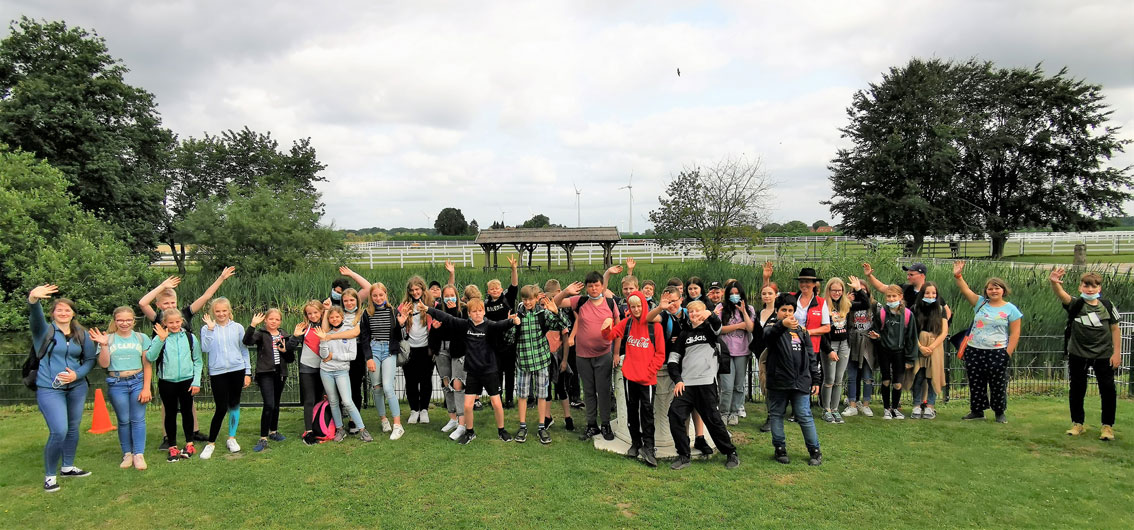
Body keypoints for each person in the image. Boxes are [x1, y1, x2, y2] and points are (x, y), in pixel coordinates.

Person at [137, 267, 234, 449]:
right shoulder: (158, 318)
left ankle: (193, 432)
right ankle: (168, 438)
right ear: (159, 306)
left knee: (189, 403)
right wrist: (162, 286)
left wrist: (221, 278)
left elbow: (205, 297)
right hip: (167, 367)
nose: (170, 306)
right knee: (169, 406)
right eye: (165, 304)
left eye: (172, 302)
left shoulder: (184, 314)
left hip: (186, 367)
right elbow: (143, 303)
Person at [28, 285, 97, 492]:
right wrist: (33, 299)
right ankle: (50, 476)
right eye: (59, 310)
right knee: (59, 430)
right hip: (50, 388)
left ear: (73, 313)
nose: (64, 313)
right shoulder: (44, 331)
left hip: (76, 387)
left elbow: (90, 360)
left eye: (67, 310)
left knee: (73, 428)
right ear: (53, 313)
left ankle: (67, 467)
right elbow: (35, 316)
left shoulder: (81, 334)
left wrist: (77, 374)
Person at [426, 298, 519, 444]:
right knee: (468, 405)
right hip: (472, 372)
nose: (477, 314)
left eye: (480, 311)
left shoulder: (489, 325)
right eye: (474, 311)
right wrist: (428, 309)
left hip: (489, 371)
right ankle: (469, 432)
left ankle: (501, 430)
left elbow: (501, 325)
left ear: (484, 311)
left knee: (496, 402)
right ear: (469, 313)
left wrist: (513, 321)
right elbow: (447, 318)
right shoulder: (465, 325)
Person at [666, 301, 740, 470]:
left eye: (697, 311)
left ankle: (730, 453)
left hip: (706, 383)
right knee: (675, 415)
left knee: (713, 420)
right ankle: (684, 455)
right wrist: (677, 379)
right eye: (690, 311)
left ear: (704, 312)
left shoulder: (710, 330)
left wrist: (712, 316)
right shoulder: (684, 334)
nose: (693, 314)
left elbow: (717, 326)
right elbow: (673, 360)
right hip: (686, 385)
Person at [1050, 268, 1120, 440]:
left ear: (1099, 289)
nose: (1090, 289)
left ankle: (1107, 427)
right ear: (1080, 287)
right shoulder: (1076, 304)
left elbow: (1115, 329)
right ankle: (1077, 424)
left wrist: (1116, 353)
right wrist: (1054, 282)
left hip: (1104, 355)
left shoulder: (1108, 305)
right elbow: (1061, 295)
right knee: (1077, 389)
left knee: (1108, 390)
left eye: (1094, 286)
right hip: (1078, 354)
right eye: (1086, 286)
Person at [553, 272, 622, 441]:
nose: (593, 288)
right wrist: (566, 292)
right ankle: (592, 425)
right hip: (583, 356)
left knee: (603, 390)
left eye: (596, 285)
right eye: (590, 286)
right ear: (586, 287)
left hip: (604, 354)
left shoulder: (610, 302)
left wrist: (616, 353)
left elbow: (619, 330)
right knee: (589, 391)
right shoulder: (580, 301)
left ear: (601, 286)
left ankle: (605, 423)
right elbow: (554, 303)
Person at [601, 291, 665, 467]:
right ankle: (635, 443)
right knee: (632, 411)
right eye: (633, 306)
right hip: (630, 376)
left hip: (647, 379)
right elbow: (609, 336)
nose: (636, 309)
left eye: (639, 306)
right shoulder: (627, 323)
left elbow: (660, 355)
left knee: (647, 412)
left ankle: (649, 447)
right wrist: (606, 326)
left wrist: (649, 372)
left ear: (644, 305)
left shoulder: (654, 326)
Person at [953, 261, 1022, 423]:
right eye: (990, 288)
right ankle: (977, 411)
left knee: (998, 383)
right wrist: (958, 275)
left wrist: (1007, 353)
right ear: (986, 291)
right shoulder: (980, 303)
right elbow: (965, 289)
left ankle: (999, 412)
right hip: (974, 349)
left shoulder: (1011, 309)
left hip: (997, 351)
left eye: (997, 288)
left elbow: (1015, 333)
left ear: (1003, 290)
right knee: (976, 382)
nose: (993, 291)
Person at [646, 286, 713, 454]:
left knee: (696, 404)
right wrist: (660, 307)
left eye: (673, 301)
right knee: (680, 405)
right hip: (673, 364)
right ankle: (684, 439)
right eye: (668, 302)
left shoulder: (689, 312)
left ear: (681, 300)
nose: (671, 305)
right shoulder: (664, 315)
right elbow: (648, 318)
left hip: (692, 364)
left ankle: (699, 437)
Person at [763, 294, 822, 466]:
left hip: (800, 381)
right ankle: (779, 449)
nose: (788, 313)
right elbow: (768, 335)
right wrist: (782, 324)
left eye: (790, 310)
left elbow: (811, 356)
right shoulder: (772, 327)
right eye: (784, 310)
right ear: (777, 311)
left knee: (804, 415)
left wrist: (816, 380)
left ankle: (815, 451)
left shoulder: (802, 331)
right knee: (776, 414)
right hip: (778, 381)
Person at [91, 306, 152, 470]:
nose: (124, 323)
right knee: (124, 420)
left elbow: (147, 365)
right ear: (115, 321)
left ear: (133, 321)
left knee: (138, 418)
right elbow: (104, 364)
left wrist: (147, 388)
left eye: (128, 320)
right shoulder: (108, 339)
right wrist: (103, 346)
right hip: (117, 382)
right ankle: (127, 453)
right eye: (120, 320)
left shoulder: (141, 338)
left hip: (137, 380)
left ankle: (139, 454)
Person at [512, 285, 568, 444]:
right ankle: (522, 426)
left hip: (542, 361)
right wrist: (512, 324)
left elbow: (563, 325)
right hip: (523, 361)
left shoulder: (543, 314)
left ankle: (542, 426)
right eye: (524, 299)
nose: (527, 302)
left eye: (530, 299)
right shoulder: (518, 315)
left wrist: (556, 311)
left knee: (542, 394)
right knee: (522, 395)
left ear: (537, 298)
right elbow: (509, 338)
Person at [146, 308, 202, 463]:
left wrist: (196, 381)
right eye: (171, 322)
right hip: (167, 381)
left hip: (187, 380)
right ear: (164, 323)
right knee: (170, 414)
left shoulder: (190, 337)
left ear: (182, 321)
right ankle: (172, 445)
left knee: (187, 412)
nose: (175, 325)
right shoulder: (160, 337)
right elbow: (150, 356)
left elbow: (198, 360)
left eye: (178, 322)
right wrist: (161, 340)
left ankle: (190, 443)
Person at [199, 297, 251, 459]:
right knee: (221, 407)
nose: (221, 314)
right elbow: (205, 348)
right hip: (217, 372)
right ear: (212, 312)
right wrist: (210, 330)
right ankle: (211, 443)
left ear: (229, 311)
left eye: (224, 311)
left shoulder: (238, 328)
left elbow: (244, 350)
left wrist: (247, 372)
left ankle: (231, 438)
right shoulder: (207, 328)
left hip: (237, 370)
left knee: (234, 404)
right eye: (217, 311)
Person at [316, 307, 373, 442]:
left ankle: (362, 430)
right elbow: (324, 356)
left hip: (341, 371)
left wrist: (333, 355)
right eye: (331, 317)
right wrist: (323, 341)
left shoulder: (349, 334)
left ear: (342, 317)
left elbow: (352, 356)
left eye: (337, 317)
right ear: (328, 319)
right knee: (334, 401)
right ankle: (340, 430)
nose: (334, 319)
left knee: (347, 401)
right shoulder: (326, 333)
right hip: (326, 371)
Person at [359, 282, 405, 440]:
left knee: (387, 386)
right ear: (371, 297)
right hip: (374, 349)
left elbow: (399, 337)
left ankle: (398, 425)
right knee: (376, 387)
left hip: (389, 351)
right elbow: (364, 338)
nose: (378, 298)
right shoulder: (366, 313)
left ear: (386, 294)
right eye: (375, 295)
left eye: (381, 295)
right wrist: (368, 358)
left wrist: (401, 324)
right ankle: (383, 419)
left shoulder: (393, 311)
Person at [243, 309, 293, 452]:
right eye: (271, 319)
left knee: (276, 404)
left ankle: (273, 431)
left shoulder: (284, 335)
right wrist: (252, 325)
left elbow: (290, 359)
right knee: (269, 404)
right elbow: (246, 341)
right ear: (265, 320)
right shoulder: (261, 334)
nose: (274, 322)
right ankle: (263, 437)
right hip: (265, 373)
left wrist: (285, 351)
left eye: (277, 320)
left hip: (280, 373)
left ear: (280, 321)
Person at [869, 285, 918, 420]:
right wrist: (876, 336)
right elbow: (876, 330)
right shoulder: (882, 313)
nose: (891, 299)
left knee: (897, 382)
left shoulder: (908, 315)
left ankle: (895, 408)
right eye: (889, 296)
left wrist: (909, 359)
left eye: (894, 296)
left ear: (900, 297)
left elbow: (911, 338)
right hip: (884, 351)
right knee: (885, 380)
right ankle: (886, 409)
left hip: (900, 352)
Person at [716, 281, 755, 426]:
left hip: (742, 352)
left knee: (739, 385)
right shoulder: (721, 308)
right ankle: (724, 412)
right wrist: (738, 326)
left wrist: (744, 312)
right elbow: (719, 329)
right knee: (726, 385)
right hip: (726, 351)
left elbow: (750, 328)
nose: (734, 296)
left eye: (736, 293)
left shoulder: (749, 309)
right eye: (731, 294)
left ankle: (735, 411)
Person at [289, 300, 327, 445]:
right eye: (309, 313)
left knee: (321, 399)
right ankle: (309, 431)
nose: (312, 316)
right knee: (309, 400)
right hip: (307, 368)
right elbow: (290, 348)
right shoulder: (304, 327)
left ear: (321, 312)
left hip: (324, 368)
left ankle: (320, 427)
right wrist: (295, 336)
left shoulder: (327, 325)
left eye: (315, 312)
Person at [399, 276, 436, 423]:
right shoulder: (403, 306)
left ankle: (424, 410)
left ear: (422, 289)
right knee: (411, 381)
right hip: (410, 349)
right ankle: (414, 410)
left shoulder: (431, 304)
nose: (415, 292)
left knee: (426, 380)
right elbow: (399, 326)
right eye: (412, 290)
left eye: (417, 289)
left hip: (426, 348)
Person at [485, 256, 520, 408]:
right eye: (492, 289)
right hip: (494, 343)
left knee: (510, 372)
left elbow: (514, 284)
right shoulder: (485, 304)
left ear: (501, 289)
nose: (495, 291)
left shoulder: (507, 298)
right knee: (496, 372)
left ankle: (510, 399)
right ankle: (497, 399)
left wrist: (513, 269)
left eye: (497, 288)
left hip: (509, 341)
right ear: (488, 291)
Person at [910, 283, 949, 420]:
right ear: (922, 294)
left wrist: (932, 347)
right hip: (919, 344)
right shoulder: (915, 309)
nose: (931, 296)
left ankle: (930, 407)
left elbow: (944, 332)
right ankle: (916, 405)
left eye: (933, 293)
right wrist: (920, 346)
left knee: (932, 377)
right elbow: (911, 330)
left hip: (935, 345)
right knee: (918, 376)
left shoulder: (940, 309)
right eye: (927, 293)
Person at [841, 276, 876, 418]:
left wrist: (877, 334)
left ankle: (866, 404)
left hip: (868, 342)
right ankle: (852, 404)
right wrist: (847, 300)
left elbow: (879, 321)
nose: (859, 292)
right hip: (853, 341)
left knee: (868, 375)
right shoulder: (849, 305)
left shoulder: (874, 305)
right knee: (852, 375)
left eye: (862, 289)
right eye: (855, 290)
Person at [546, 279, 578, 431]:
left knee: (561, 388)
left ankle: (568, 417)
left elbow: (565, 339)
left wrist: (564, 360)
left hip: (558, 355)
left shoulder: (560, 318)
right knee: (545, 390)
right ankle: (547, 417)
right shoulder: (542, 317)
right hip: (545, 357)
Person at [820, 278, 851, 424]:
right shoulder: (823, 306)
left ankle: (835, 409)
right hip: (830, 344)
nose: (837, 293)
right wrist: (829, 350)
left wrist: (857, 289)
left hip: (844, 343)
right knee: (829, 379)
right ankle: (826, 409)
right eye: (834, 290)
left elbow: (864, 302)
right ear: (828, 291)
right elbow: (822, 333)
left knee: (839, 379)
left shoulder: (846, 305)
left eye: (840, 290)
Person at [750, 282, 780, 432]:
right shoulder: (758, 313)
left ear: (776, 295)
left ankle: (772, 416)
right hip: (760, 354)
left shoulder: (780, 313)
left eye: (770, 293)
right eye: (764, 294)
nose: (767, 296)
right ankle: (771, 414)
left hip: (775, 354)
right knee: (764, 385)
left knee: (773, 385)